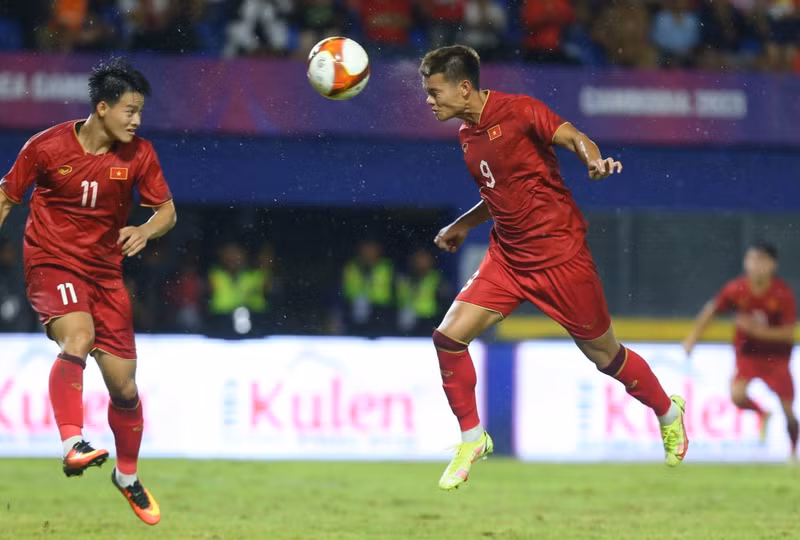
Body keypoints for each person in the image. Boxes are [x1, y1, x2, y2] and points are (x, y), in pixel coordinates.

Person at [419, 45, 688, 490]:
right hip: (507, 256)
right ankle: (472, 439)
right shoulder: (467, 134)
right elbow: (498, 193)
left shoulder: (520, 111)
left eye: (434, 91)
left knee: (606, 357)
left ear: (464, 87)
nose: (429, 100)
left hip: (560, 258)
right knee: (448, 337)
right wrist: (461, 225)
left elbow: (574, 137)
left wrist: (593, 160)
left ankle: (669, 412)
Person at [0, 57, 176, 525]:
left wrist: (146, 230)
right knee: (77, 337)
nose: (136, 121)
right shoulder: (46, 147)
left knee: (124, 388)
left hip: (106, 275)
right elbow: (5, 199)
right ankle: (72, 442)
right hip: (51, 262)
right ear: (102, 107)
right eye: (130, 111)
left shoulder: (139, 154)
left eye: (140, 112)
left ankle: (127, 475)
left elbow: (167, 211)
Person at [683, 242, 797, 458]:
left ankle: (793, 452)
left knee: (788, 411)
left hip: (777, 357)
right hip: (748, 354)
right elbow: (712, 309)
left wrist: (757, 331)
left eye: (762, 260)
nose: (756, 265)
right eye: (752, 259)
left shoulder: (782, 293)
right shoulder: (737, 288)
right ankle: (762, 414)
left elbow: (788, 333)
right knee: (736, 395)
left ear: (773, 265)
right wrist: (692, 338)